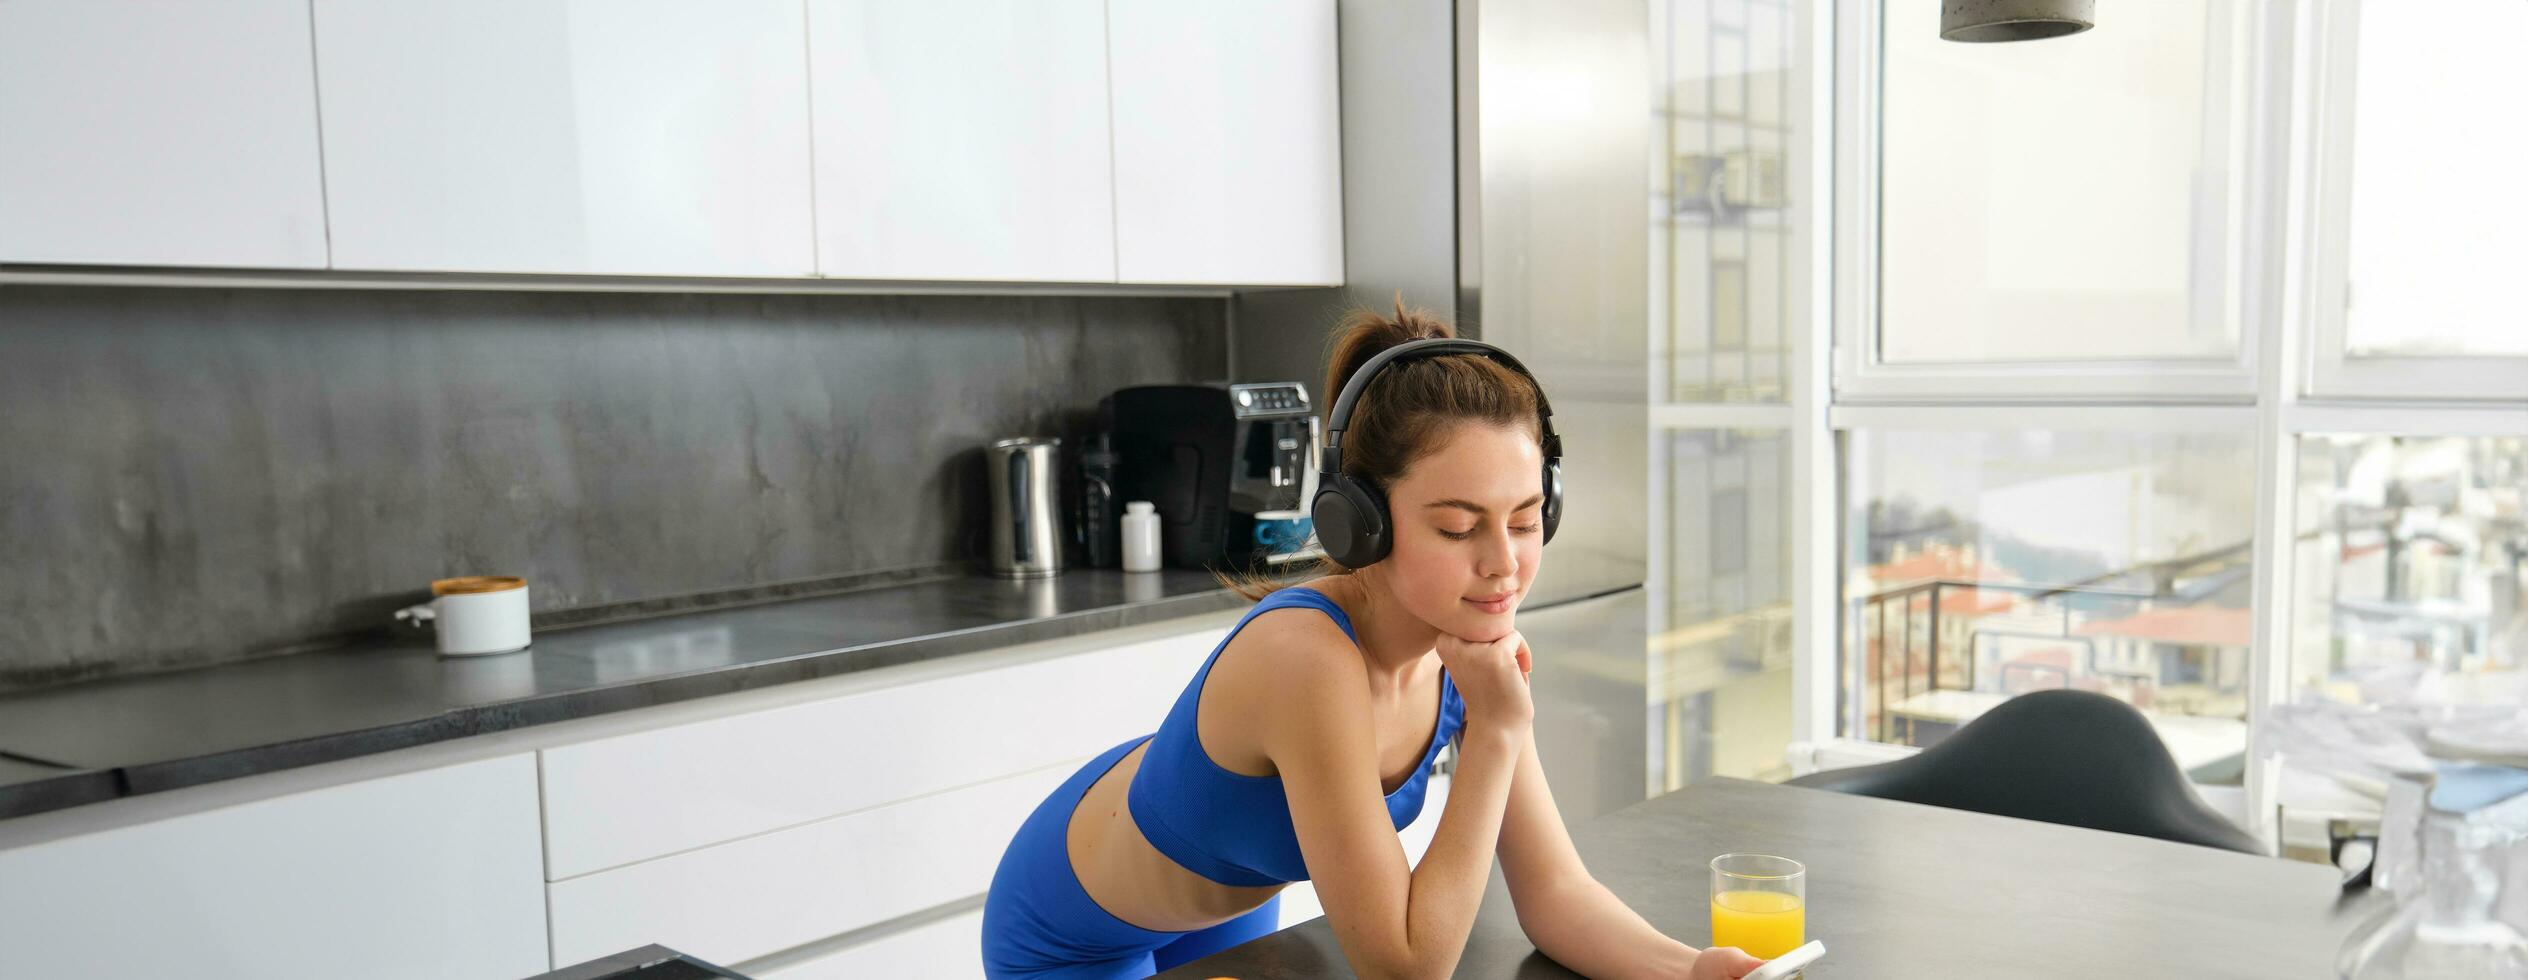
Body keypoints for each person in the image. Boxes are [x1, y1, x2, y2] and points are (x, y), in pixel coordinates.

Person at [981, 301, 1766, 979]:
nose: (1503, 564)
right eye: (1459, 527)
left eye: (1526, 520)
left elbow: (1555, 893)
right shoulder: (1308, 659)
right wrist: (1495, 732)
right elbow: (1404, 964)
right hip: (1070, 934)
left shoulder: (1468, 648)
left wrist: (1689, 967)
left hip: (1220, 903)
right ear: (1361, 522)